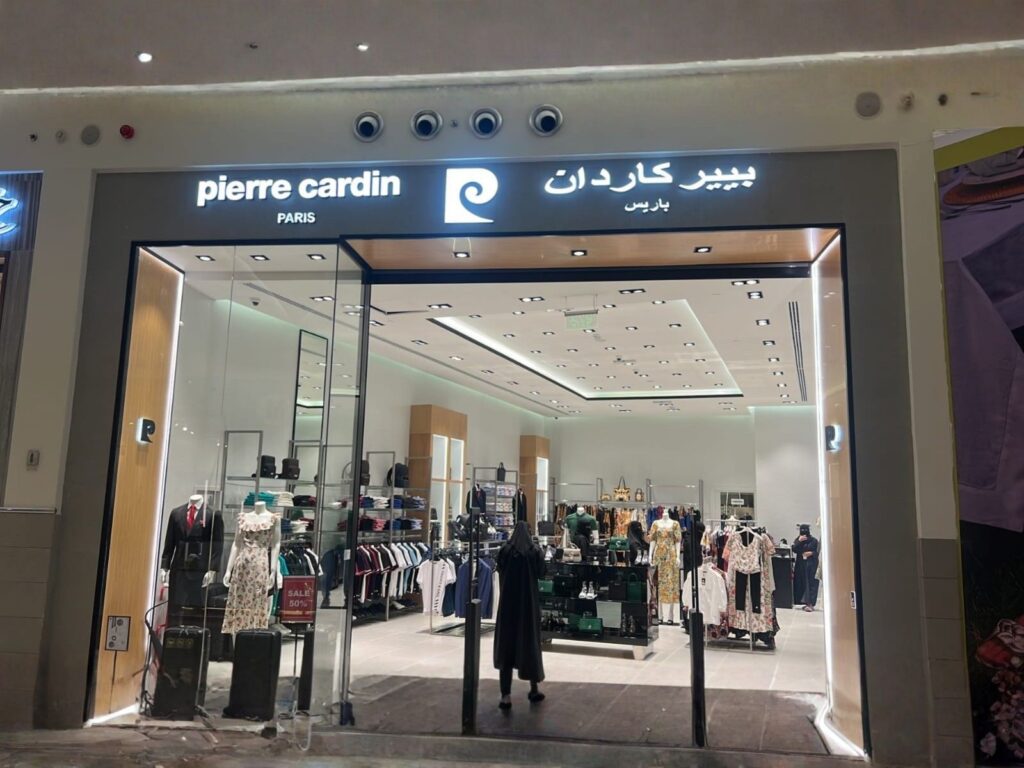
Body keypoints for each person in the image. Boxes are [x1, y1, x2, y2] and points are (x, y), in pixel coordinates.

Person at [493, 521, 545, 709]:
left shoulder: (505, 551)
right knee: (530, 645)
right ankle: (533, 689)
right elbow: (542, 573)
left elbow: (499, 569)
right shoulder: (535, 551)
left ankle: (505, 696)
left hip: (508, 606)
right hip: (528, 605)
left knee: (506, 648)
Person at [792, 524, 820, 611]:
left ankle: (810, 604)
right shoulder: (798, 539)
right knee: (800, 582)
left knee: (811, 583)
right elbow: (794, 549)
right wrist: (799, 541)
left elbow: (817, 552)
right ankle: (802, 602)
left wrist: (811, 553)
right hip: (800, 564)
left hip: (811, 564)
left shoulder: (814, 541)